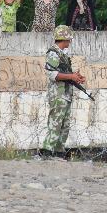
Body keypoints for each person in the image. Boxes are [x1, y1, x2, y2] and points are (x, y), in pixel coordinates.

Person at [41, 25, 85, 159]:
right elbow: (52, 74)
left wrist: (75, 77)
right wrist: (71, 77)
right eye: (68, 39)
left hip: (65, 93)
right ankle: (47, 151)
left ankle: (59, 151)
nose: (70, 41)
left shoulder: (62, 54)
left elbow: (64, 73)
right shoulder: (53, 53)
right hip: (58, 94)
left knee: (65, 125)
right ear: (63, 39)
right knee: (55, 123)